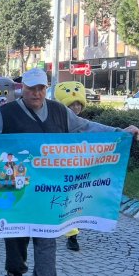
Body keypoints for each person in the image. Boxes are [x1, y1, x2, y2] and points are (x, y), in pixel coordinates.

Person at [0, 68, 139, 276]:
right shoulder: (5, 113)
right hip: (17, 185)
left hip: (49, 188)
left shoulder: (59, 111)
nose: (36, 93)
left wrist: (119, 132)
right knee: (15, 235)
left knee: (46, 237)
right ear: (22, 89)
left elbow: (86, 128)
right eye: (31, 88)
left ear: (46, 89)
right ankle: (14, 272)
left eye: (41, 88)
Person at [53, 81, 90, 251]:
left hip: (78, 167)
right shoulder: (56, 123)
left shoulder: (84, 123)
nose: (76, 108)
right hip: (60, 167)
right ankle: (70, 233)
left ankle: (72, 233)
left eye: (78, 104)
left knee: (74, 198)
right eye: (72, 104)